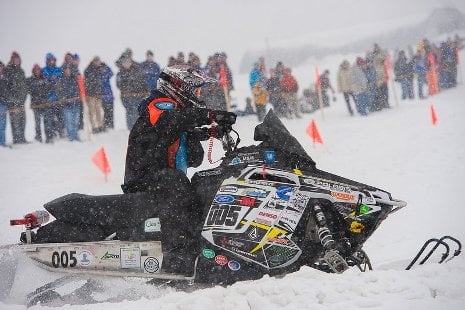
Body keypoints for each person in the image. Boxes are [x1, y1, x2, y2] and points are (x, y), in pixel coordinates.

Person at [122, 65, 236, 274]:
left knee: (200, 186)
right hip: (146, 179)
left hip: (161, 179)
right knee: (177, 185)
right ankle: (176, 257)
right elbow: (171, 123)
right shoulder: (159, 104)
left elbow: (188, 142)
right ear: (180, 86)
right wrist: (210, 115)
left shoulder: (176, 112)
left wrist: (215, 132)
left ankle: (200, 247)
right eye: (196, 90)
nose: (198, 94)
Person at [116, 55, 148, 130]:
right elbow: (118, 84)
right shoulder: (120, 72)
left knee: (137, 111)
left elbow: (143, 81)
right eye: (125, 63)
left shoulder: (137, 70)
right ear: (123, 64)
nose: (127, 64)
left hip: (138, 95)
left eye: (128, 62)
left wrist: (145, 91)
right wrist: (128, 86)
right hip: (126, 96)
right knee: (129, 111)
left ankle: (138, 126)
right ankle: (130, 127)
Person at [5, 52, 28, 144]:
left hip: (21, 101)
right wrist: (12, 99)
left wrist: (23, 97)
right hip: (13, 102)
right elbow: (6, 87)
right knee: (15, 122)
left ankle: (22, 138)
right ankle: (17, 139)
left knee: (23, 120)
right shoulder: (8, 71)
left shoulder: (21, 71)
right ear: (12, 60)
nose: (17, 61)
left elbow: (24, 86)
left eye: (18, 59)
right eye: (15, 59)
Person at [27, 64, 53, 143]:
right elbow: (29, 91)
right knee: (37, 123)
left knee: (47, 122)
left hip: (45, 104)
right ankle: (38, 137)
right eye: (35, 70)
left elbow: (49, 88)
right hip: (36, 105)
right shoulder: (30, 80)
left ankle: (48, 137)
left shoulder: (45, 79)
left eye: (38, 70)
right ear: (33, 71)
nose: (37, 72)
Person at [57, 64, 82, 141]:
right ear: (64, 71)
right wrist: (63, 97)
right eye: (66, 70)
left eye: (69, 69)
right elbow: (59, 91)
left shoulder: (75, 79)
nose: (68, 71)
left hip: (76, 104)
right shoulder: (61, 80)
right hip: (67, 106)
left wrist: (78, 96)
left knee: (76, 122)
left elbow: (79, 89)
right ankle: (71, 137)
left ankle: (76, 136)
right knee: (69, 123)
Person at [42, 53, 62, 142]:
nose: (52, 61)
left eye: (53, 60)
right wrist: (51, 79)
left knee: (59, 117)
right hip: (48, 99)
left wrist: (54, 79)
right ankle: (50, 135)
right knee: (49, 119)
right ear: (47, 61)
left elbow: (60, 78)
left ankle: (60, 132)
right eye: (50, 60)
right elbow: (45, 81)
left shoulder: (58, 69)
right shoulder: (44, 70)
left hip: (58, 98)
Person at [84, 56, 105, 133]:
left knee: (98, 111)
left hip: (98, 94)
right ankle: (93, 126)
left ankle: (100, 125)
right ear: (94, 61)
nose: (98, 63)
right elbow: (88, 82)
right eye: (97, 61)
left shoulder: (99, 69)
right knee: (92, 111)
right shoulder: (88, 70)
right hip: (91, 95)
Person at [100, 60, 114, 129]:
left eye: (104, 68)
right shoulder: (99, 76)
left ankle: (111, 126)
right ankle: (105, 126)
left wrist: (107, 67)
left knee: (110, 112)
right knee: (104, 113)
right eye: (102, 68)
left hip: (110, 97)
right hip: (102, 98)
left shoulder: (107, 74)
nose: (103, 70)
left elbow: (112, 72)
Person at [0, 61, 9, 147]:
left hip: (4, 104)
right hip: (1, 104)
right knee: (1, 125)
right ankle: (2, 143)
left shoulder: (5, 78)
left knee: (3, 124)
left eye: (1, 66)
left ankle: (3, 142)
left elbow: (8, 91)